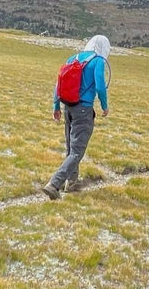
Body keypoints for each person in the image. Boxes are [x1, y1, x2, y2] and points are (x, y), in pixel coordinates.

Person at [41, 35, 111, 200]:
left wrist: (56, 105)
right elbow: (100, 85)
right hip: (83, 109)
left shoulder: (74, 58)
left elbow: (59, 83)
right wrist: (104, 105)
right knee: (77, 151)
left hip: (68, 107)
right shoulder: (98, 61)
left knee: (71, 148)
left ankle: (71, 183)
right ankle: (54, 183)